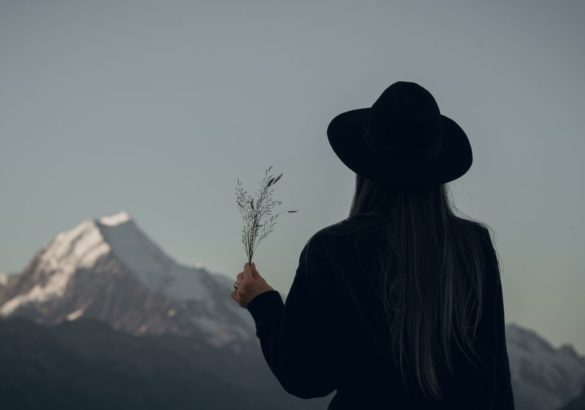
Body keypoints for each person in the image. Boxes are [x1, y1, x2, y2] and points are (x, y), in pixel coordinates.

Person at [230, 81, 515, 409]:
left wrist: (262, 303)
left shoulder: (335, 250)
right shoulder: (473, 247)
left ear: (364, 166)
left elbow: (305, 377)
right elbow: (494, 378)